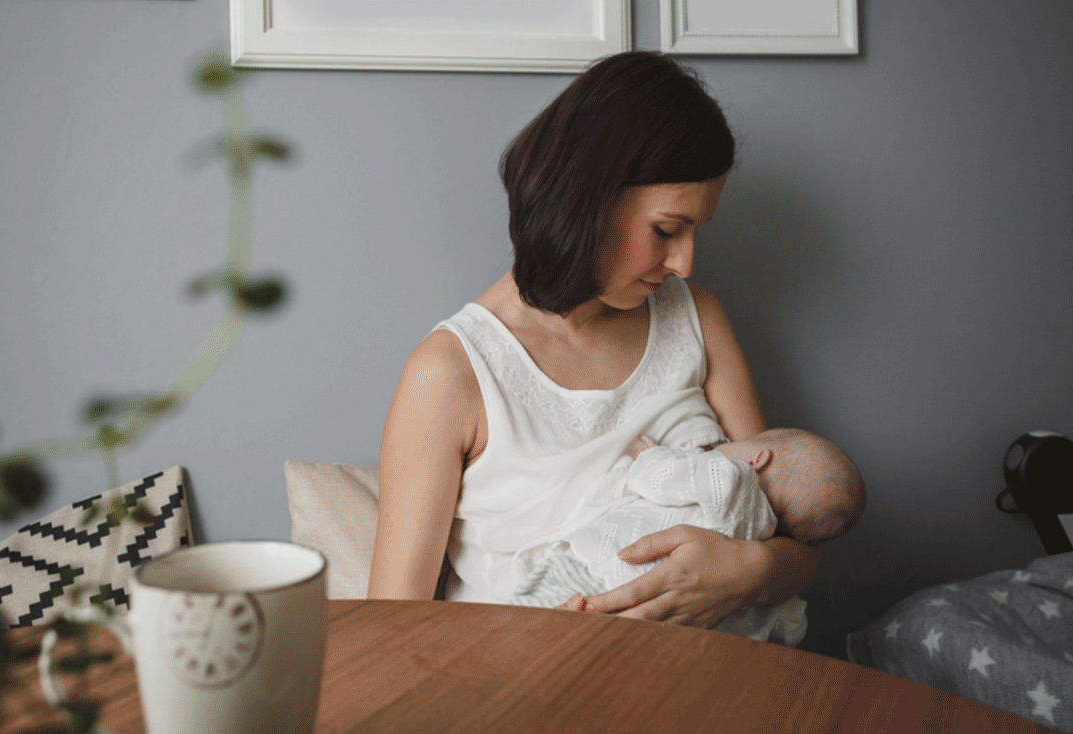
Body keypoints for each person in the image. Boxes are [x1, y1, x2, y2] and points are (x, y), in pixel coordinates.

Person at [368, 51, 865, 631]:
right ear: (588, 200)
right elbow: (392, 627)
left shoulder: (697, 320)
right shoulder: (452, 372)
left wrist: (746, 570)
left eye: (696, 232)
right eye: (666, 230)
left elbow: (794, 539)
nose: (685, 263)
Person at [509, 427, 864, 643]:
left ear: (758, 458)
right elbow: (785, 626)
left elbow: (662, 476)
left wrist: (649, 456)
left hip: (599, 571)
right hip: (665, 627)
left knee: (527, 613)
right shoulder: (760, 538)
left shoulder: (729, 480)